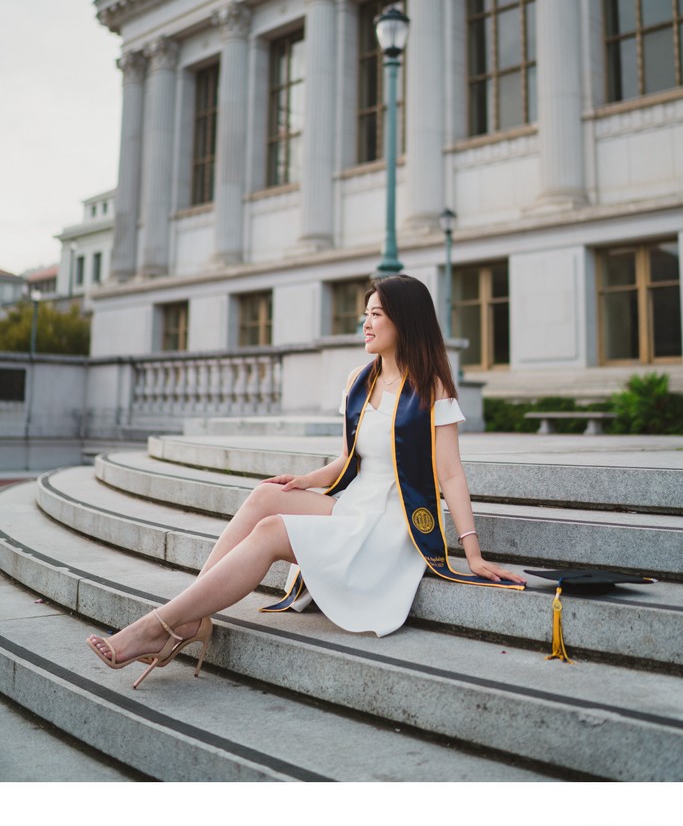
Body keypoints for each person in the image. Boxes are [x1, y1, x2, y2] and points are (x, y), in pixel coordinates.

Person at [87, 274, 525, 688]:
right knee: (266, 495)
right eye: (366, 313)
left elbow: (449, 472)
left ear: (404, 322)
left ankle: (159, 624)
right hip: (355, 505)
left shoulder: (430, 389)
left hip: (391, 525)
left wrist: (472, 551)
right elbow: (346, 459)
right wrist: (305, 480)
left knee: (270, 531)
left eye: (376, 314)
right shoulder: (360, 381)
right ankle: (189, 615)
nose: (365, 323)